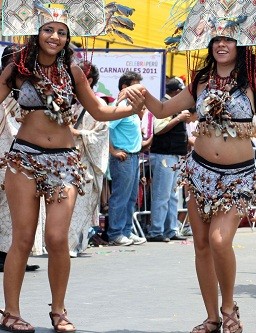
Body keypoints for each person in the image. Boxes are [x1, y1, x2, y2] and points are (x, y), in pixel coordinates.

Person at [123, 3, 256, 331]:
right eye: (216, 39)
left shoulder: (255, 82)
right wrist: (141, 93)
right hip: (199, 172)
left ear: (241, 45)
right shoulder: (201, 81)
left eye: (229, 39)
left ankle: (228, 308)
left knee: (220, 241)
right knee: (203, 244)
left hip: (237, 178)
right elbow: (164, 109)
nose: (222, 44)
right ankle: (211, 317)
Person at [0, 3, 144, 332]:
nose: (54, 36)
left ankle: (59, 310)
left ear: (68, 38)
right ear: (36, 32)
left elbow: (100, 111)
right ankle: (11, 311)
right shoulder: (18, 69)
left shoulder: (73, 72)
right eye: (48, 29)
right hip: (24, 159)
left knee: (56, 238)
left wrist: (127, 107)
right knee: (21, 239)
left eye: (61, 32)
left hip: (64, 162)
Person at [0, 45, 41, 273]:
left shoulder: (26, 88)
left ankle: (12, 256)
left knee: (17, 212)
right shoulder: (6, 87)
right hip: (10, 153)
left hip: (22, 154)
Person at [66, 60, 110, 257]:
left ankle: (73, 244)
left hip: (86, 162)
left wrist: (77, 133)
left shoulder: (97, 103)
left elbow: (100, 134)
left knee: (80, 206)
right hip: (67, 159)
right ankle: (70, 244)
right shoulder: (69, 101)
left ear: (88, 80)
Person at [107, 71, 148, 246]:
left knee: (131, 198)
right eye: (135, 85)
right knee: (120, 197)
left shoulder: (132, 107)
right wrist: (113, 150)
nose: (139, 89)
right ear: (125, 87)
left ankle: (126, 231)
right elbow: (106, 128)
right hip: (123, 158)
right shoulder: (121, 105)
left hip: (134, 157)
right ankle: (115, 233)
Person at [146, 77, 189, 242]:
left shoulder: (174, 106)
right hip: (164, 155)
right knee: (162, 195)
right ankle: (156, 230)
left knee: (173, 196)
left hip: (174, 155)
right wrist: (178, 118)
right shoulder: (165, 105)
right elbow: (158, 129)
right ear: (176, 92)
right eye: (181, 91)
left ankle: (171, 230)